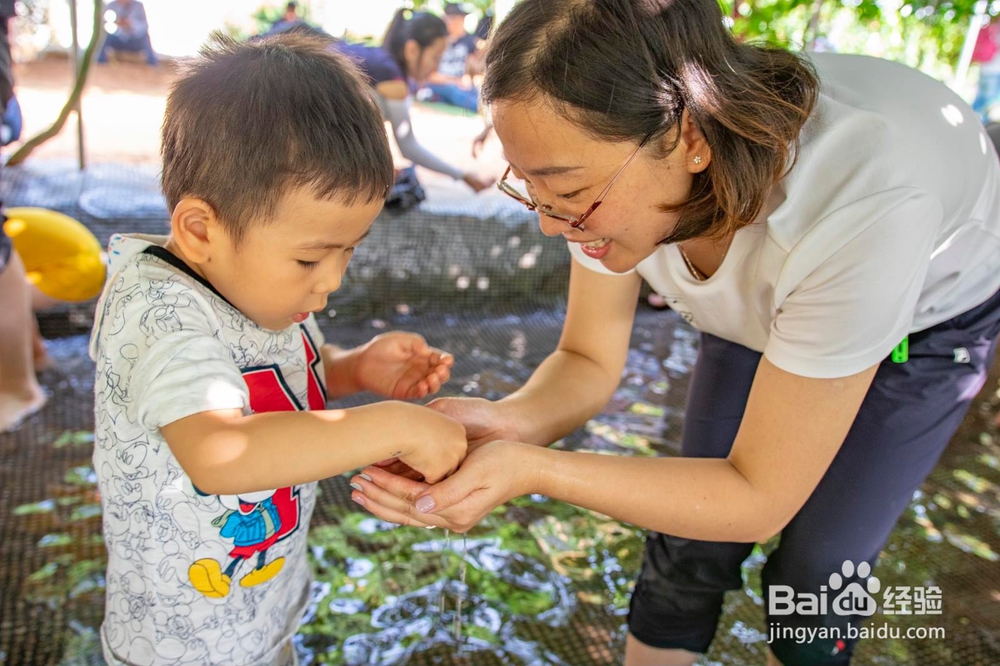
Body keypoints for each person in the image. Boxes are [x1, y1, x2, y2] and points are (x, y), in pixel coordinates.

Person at [351, 1, 1000, 665]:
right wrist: (510, 423)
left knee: (819, 568)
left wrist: (536, 470)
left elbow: (757, 498)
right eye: (531, 189)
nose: (550, 224)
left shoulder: (862, 199)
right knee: (687, 532)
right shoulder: (607, 177)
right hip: (766, 294)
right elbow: (584, 358)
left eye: (565, 192)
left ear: (689, 137)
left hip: (927, 321)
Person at [88, 32, 467, 666]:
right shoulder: (159, 315)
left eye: (351, 248)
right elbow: (220, 451)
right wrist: (392, 427)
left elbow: (273, 383)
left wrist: (351, 370)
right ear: (201, 230)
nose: (334, 278)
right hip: (180, 648)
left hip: (260, 616)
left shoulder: (261, 288)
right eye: (312, 256)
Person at [335, 9, 492, 193]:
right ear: (412, 50)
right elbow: (408, 145)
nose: (437, 66)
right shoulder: (391, 78)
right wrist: (462, 175)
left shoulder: (386, 67)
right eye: (435, 57)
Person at [423, 3, 480, 113]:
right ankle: (480, 108)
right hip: (441, 82)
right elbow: (431, 76)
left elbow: (470, 70)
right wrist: (455, 81)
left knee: (475, 91)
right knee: (453, 91)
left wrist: (466, 78)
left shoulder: (469, 41)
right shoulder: (439, 40)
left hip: (460, 84)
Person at [98, 0, 157, 66]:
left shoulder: (138, 5)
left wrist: (131, 24)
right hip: (118, 38)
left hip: (135, 40)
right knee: (104, 36)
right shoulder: (112, 5)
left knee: (145, 36)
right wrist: (116, 22)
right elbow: (103, 23)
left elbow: (144, 26)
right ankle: (100, 61)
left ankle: (152, 63)